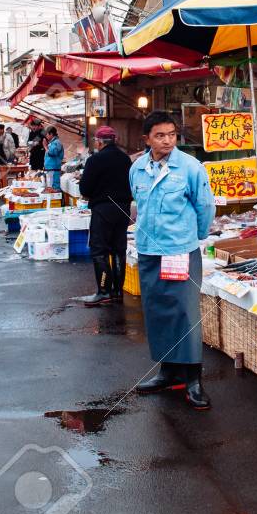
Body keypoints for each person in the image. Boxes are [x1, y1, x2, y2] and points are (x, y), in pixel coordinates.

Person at [129, 111, 215, 410]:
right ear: (147, 139)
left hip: (179, 251)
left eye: (171, 135)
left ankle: (193, 379)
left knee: (184, 312)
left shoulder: (190, 167)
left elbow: (205, 206)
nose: (167, 141)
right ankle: (167, 371)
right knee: (157, 311)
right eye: (160, 136)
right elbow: (138, 202)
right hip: (149, 251)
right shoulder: (137, 168)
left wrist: (196, 235)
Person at [77, 125, 133, 306]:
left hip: (103, 208)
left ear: (100, 142)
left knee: (99, 250)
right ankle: (117, 292)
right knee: (118, 249)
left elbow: (85, 189)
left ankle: (104, 291)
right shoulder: (125, 159)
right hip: (123, 208)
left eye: (96, 141)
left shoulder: (95, 160)